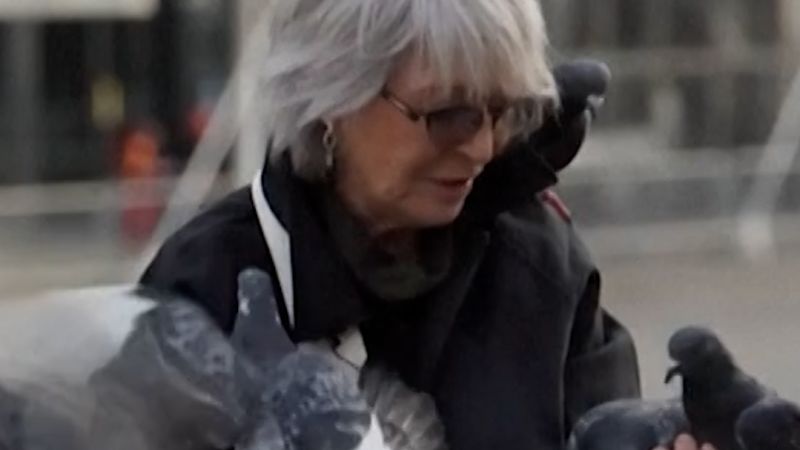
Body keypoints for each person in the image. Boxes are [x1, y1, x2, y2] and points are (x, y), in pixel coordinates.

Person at [141, 1, 645, 448]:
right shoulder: (203, 288)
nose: (482, 148)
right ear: (333, 97)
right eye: (449, 113)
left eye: (503, 111)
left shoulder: (539, 268)